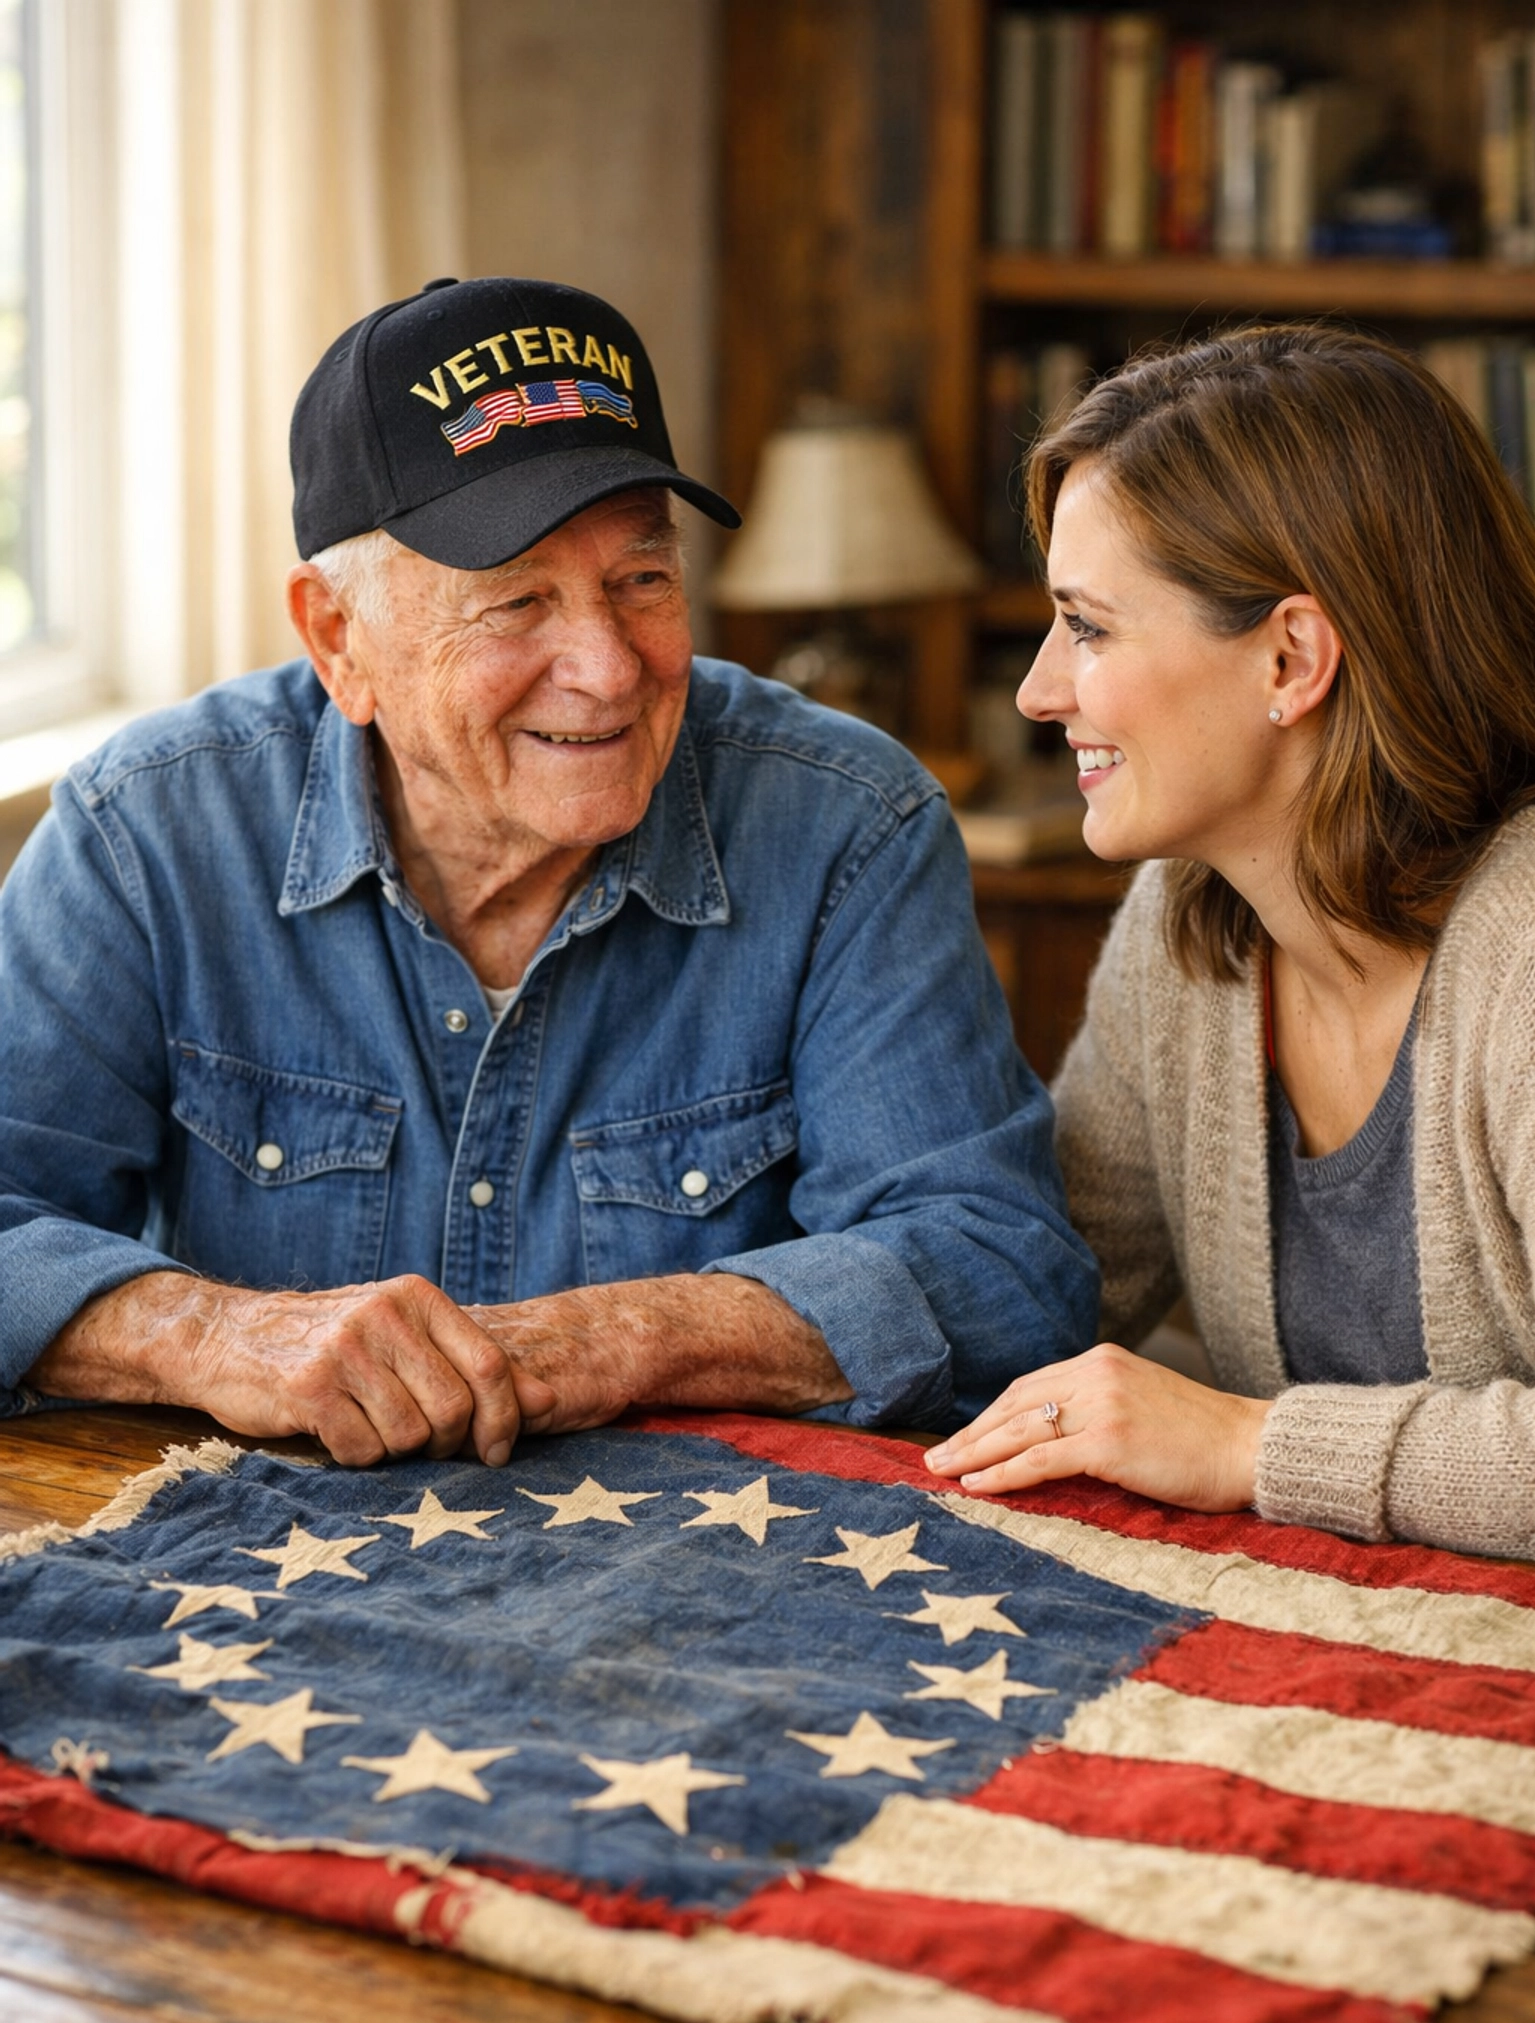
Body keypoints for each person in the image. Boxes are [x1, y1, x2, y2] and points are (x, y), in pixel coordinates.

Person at [0, 276, 1096, 1466]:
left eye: (643, 581)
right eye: (517, 601)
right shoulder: (147, 831)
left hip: (710, 1585)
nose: (611, 669)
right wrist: (220, 1336)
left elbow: (999, 1271)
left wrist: (608, 1339)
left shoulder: (847, 826)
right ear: (336, 638)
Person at [929, 322, 1535, 1561]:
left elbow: (1214, 1438)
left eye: (1088, 628)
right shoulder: (1188, 926)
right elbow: (1045, 1282)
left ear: (1291, 657)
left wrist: (1243, 1446)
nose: (1039, 692)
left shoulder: (1522, 955)